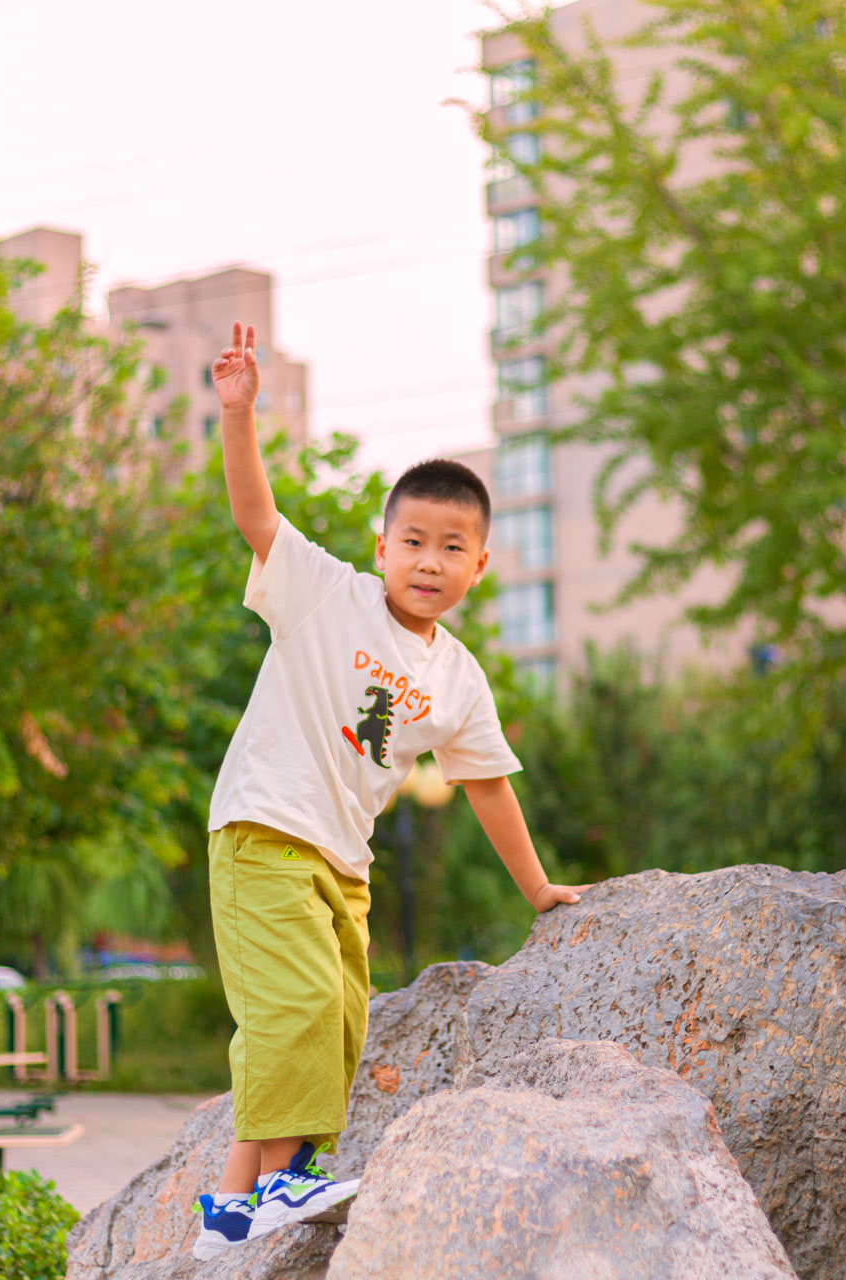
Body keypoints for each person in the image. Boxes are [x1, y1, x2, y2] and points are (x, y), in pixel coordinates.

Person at [190, 323, 587, 1260]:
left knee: (338, 1022)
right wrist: (239, 415)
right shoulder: (328, 594)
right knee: (292, 1008)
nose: (428, 560)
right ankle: (284, 1182)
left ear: (479, 567)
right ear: (380, 545)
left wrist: (537, 890)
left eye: (451, 547)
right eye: (413, 540)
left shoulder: (458, 679)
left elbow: (488, 788)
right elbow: (256, 518)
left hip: (344, 862)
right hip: (263, 830)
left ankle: (230, 1209)